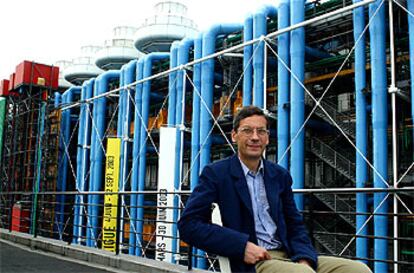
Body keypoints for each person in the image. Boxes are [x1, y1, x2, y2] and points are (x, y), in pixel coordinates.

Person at [178, 106, 372, 273]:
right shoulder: (217, 173)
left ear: (268, 138)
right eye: (247, 130)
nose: (255, 137)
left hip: (290, 253)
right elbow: (189, 225)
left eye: (261, 131)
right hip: (254, 260)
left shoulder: (279, 175)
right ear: (234, 135)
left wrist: (304, 257)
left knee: (358, 270)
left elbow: (295, 224)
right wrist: (241, 246)